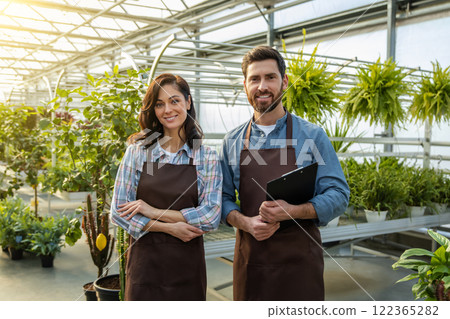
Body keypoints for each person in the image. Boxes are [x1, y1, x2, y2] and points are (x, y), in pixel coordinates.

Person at [220, 46, 350, 301]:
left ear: (284, 81)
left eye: (270, 77)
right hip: (251, 264)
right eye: (254, 79)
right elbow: (221, 199)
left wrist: (295, 210)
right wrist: (246, 223)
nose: (262, 86)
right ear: (245, 85)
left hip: (300, 266)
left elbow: (338, 194)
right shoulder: (232, 141)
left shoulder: (312, 136)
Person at [111, 73, 222, 301]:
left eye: (174, 101)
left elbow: (211, 217)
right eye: (159, 104)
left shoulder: (206, 156)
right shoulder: (139, 151)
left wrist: (152, 212)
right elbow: (119, 212)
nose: (167, 110)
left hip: (187, 268)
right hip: (145, 266)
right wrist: (169, 228)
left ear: (188, 102)